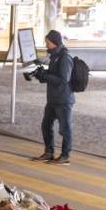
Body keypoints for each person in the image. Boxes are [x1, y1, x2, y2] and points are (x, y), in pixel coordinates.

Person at [31, 30, 75, 165]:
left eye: (47, 43)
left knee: (65, 129)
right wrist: (41, 75)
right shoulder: (54, 56)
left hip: (63, 100)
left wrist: (45, 76)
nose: (46, 45)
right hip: (53, 99)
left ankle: (65, 156)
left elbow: (63, 80)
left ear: (55, 43)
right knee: (46, 125)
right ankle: (49, 152)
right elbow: (52, 75)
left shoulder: (65, 58)